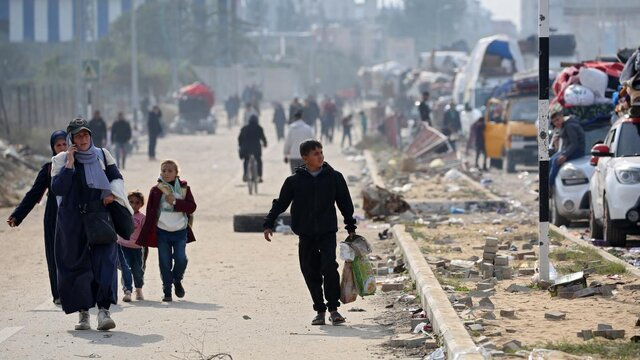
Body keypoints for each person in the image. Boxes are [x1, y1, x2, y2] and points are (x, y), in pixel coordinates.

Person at [263, 140, 357, 326]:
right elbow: (281, 203)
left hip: (327, 232)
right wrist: (268, 223)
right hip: (305, 234)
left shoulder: (334, 177)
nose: (321, 156)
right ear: (305, 158)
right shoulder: (294, 181)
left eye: (321, 152)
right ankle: (320, 310)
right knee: (310, 271)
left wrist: (350, 226)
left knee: (329, 268)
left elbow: (345, 203)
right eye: (316, 153)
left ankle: (333, 309)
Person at [51, 117, 130, 331]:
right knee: (77, 267)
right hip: (72, 221)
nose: (83, 138)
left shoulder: (102, 155)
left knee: (105, 262)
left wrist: (111, 193)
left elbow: (116, 178)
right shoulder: (60, 160)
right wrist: (70, 163)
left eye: (85, 134)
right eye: (78, 135)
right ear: (71, 139)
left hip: (99, 216)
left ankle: (103, 311)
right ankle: (83, 313)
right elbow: (58, 188)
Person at [6, 130, 68, 305]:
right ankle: (58, 293)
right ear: (53, 148)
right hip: (53, 216)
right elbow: (34, 194)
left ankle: (81, 291)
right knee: (53, 254)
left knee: (76, 252)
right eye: (58, 145)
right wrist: (17, 215)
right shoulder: (49, 168)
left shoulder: (78, 164)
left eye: (65, 144)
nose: (62, 148)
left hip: (74, 215)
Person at [136, 160, 197, 302]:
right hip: (162, 231)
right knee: (164, 262)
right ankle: (167, 291)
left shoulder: (184, 188)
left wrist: (175, 202)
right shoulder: (156, 190)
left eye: (170, 171)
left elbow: (192, 207)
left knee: (181, 259)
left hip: (180, 231)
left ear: (176, 173)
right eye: (164, 170)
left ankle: (177, 279)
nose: (166, 173)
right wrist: (144, 235)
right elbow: (150, 213)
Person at [116, 191, 146, 302]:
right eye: (131, 202)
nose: (134, 205)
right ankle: (127, 291)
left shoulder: (142, 218)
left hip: (137, 248)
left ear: (141, 204)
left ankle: (138, 289)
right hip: (122, 246)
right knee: (126, 268)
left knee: (138, 270)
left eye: (137, 203)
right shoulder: (123, 214)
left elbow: (145, 233)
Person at [549, 109, 585, 191]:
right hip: (567, 150)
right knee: (551, 160)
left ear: (562, 117)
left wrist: (565, 155)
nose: (557, 123)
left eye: (558, 120)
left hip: (577, 151)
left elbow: (574, 144)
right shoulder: (564, 126)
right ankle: (546, 182)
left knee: (556, 161)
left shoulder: (569, 126)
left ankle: (549, 185)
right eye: (554, 122)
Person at [238, 115, 268, 182]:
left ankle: (246, 174)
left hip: (246, 149)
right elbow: (263, 138)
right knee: (259, 161)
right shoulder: (259, 128)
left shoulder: (244, 128)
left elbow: (239, 138)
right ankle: (260, 176)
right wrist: (265, 144)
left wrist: (240, 145)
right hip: (256, 149)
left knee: (246, 160)